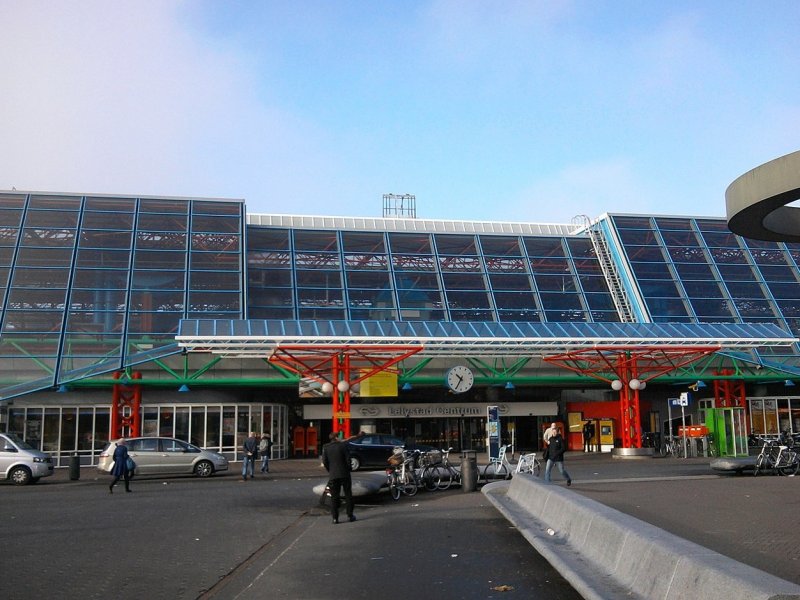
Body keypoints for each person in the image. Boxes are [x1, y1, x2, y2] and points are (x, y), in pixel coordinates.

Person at [322, 432, 356, 524]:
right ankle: (350, 515)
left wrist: (330, 470)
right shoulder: (343, 446)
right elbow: (348, 459)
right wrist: (349, 468)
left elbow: (325, 462)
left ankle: (335, 518)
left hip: (333, 475)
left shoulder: (326, 447)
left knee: (334, 496)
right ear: (336, 437)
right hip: (344, 473)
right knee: (348, 494)